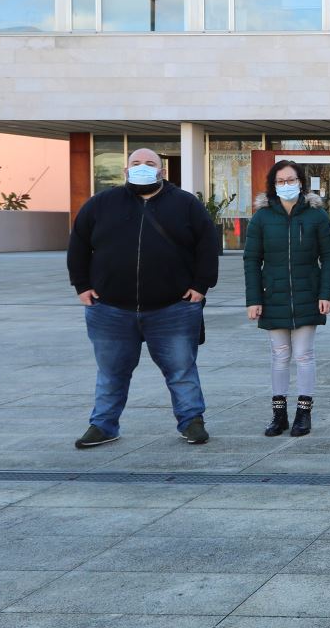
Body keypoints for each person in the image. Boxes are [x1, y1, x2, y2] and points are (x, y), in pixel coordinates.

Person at [67, 148, 219, 448]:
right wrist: (81, 286)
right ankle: (103, 425)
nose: (143, 168)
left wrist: (201, 286)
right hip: (110, 308)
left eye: (150, 164)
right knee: (111, 373)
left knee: (181, 370)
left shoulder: (185, 204)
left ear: (162, 171)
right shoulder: (101, 204)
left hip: (173, 307)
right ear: (125, 171)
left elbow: (207, 245)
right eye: (136, 163)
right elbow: (79, 245)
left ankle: (191, 421)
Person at [244, 160, 330, 438]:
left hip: (308, 293)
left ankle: (303, 413)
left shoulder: (316, 216)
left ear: (301, 183)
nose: (287, 185)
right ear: (273, 185)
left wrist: (326, 293)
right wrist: (253, 299)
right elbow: (252, 259)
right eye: (281, 181)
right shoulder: (261, 218)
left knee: (304, 355)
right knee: (279, 356)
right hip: (273, 295)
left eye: (291, 180)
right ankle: (279, 414)